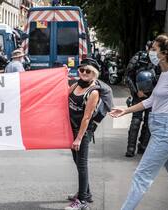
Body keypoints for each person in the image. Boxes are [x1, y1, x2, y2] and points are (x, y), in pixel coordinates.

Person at [110, 34, 168, 210]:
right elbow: (151, 101)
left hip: (166, 131)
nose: (149, 52)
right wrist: (125, 110)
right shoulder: (164, 74)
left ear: (164, 53)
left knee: (141, 176)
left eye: (154, 49)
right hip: (160, 128)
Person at [65, 58, 100, 210]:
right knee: (78, 163)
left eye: (88, 71)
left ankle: (82, 201)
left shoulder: (93, 92)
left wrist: (79, 138)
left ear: (94, 74)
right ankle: (86, 193)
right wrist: (61, 76)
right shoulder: (74, 86)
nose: (84, 73)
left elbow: (87, 117)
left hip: (83, 132)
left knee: (82, 165)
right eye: (82, 70)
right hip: (71, 129)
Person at [124, 41, 157, 157]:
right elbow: (128, 76)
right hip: (139, 95)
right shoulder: (138, 57)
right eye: (151, 48)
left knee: (150, 122)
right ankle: (130, 148)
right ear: (147, 48)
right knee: (136, 121)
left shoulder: (160, 61)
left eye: (155, 49)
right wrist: (137, 92)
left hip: (153, 96)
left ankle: (143, 147)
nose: (153, 51)